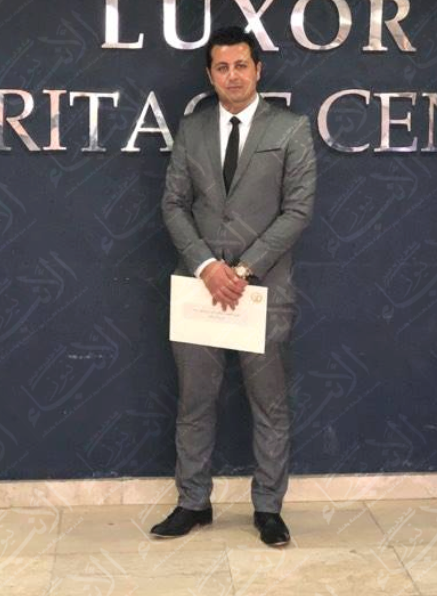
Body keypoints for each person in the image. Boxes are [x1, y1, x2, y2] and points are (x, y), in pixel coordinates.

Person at [151, 26, 317, 547]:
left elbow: (298, 211)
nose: (233, 76)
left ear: (258, 69)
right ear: (210, 74)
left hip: (262, 290)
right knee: (194, 402)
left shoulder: (291, 129)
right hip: (200, 287)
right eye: (222, 67)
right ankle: (193, 503)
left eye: (241, 65)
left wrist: (241, 271)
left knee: (270, 405)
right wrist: (206, 266)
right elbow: (174, 205)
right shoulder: (192, 128)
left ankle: (268, 508)